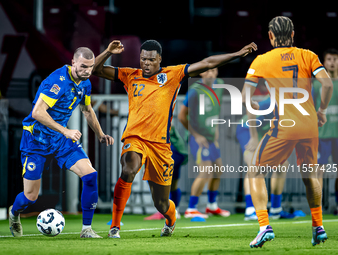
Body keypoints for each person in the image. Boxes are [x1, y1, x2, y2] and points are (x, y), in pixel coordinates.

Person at [93, 39, 257, 238]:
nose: (146, 63)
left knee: (161, 203)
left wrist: (237, 54)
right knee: (129, 168)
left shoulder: (172, 74)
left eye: (151, 60)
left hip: (161, 147)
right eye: (143, 59)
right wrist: (108, 52)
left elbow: (207, 63)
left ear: (159, 59)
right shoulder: (130, 75)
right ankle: (115, 226)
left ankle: (170, 219)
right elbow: (95, 70)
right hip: (135, 138)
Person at [242, 16, 333, 248]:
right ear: (293, 35)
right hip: (310, 126)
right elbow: (328, 84)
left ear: (270, 36)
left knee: (254, 172)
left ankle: (264, 226)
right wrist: (321, 111)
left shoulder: (261, 60)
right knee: (310, 176)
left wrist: (254, 121)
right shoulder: (308, 55)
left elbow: (245, 96)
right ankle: (318, 226)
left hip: (283, 126)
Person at [8, 47, 114, 238]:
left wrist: (100, 133)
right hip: (36, 139)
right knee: (30, 197)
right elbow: (37, 113)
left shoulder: (85, 83)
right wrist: (66, 130)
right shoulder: (58, 81)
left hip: (60, 139)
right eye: (83, 67)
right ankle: (14, 214)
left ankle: (86, 230)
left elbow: (87, 110)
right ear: (73, 62)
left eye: (90, 67)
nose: (87, 71)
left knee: (90, 176)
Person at [178, 68, 230, 219]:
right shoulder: (194, 91)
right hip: (198, 138)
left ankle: (212, 206)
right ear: (201, 73)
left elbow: (215, 110)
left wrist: (216, 130)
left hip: (211, 137)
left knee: (218, 169)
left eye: (214, 71)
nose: (211, 74)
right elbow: (182, 116)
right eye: (207, 71)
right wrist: (196, 135)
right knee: (206, 170)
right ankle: (191, 208)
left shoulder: (219, 85)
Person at [237, 94, 296, 220]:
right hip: (248, 129)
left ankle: (275, 210)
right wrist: (253, 137)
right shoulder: (273, 101)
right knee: (253, 164)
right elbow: (250, 111)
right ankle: (250, 210)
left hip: (266, 131)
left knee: (282, 165)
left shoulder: (296, 104)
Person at [144, 125, 188, 220]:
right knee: (172, 184)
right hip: (179, 151)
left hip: (172, 150)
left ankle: (165, 210)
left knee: (155, 177)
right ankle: (174, 210)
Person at [313, 48, 338, 211]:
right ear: (324, 62)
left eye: (335, 59)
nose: (333, 62)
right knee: (319, 171)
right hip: (321, 135)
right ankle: (318, 207)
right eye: (329, 59)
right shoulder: (317, 84)